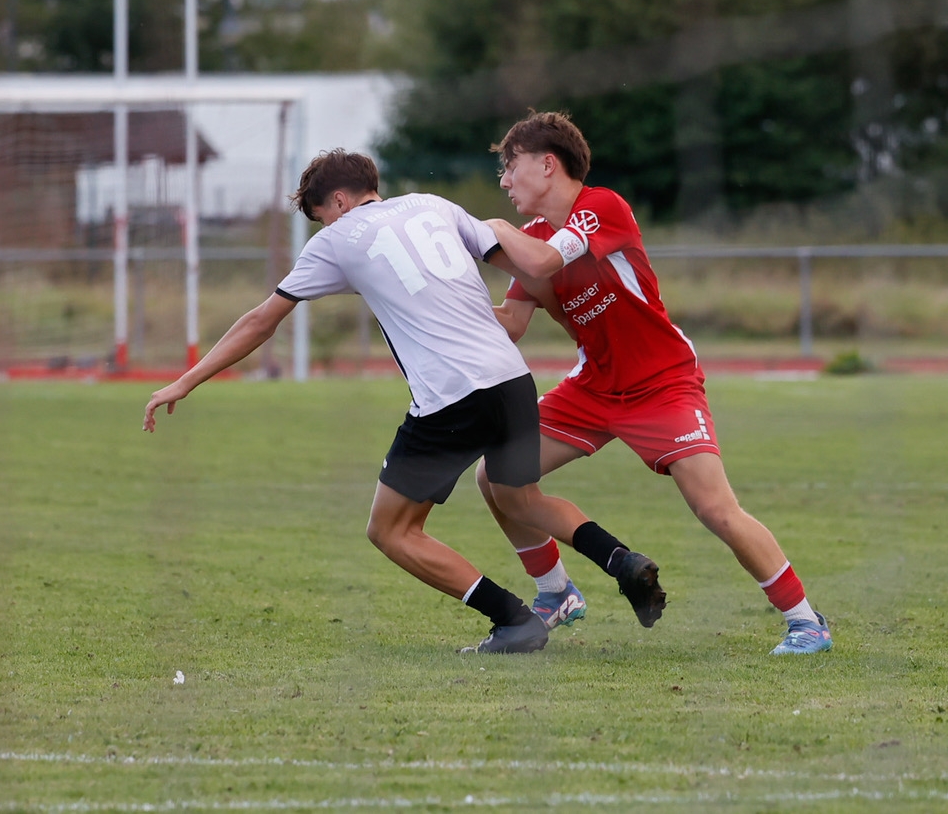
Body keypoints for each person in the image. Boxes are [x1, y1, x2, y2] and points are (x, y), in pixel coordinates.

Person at [143, 149, 660, 654]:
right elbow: (533, 272)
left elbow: (261, 321)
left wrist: (186, 381)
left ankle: (513, 619)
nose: (325, 227)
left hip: (451, 397)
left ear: (339, 201)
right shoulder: (435, 205)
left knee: (390, 530)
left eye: (322, 216)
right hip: (511, 379)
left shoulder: (337, 239)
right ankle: (620, 560)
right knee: (521, 498)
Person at [475, 110, 832, 655]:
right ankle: (556, 593)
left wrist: (490, 232)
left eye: (510, 165)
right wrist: (434, 303)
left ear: (547, 165)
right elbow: (513, 324)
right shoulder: (532, 238)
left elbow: (544, 262)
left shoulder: (600, 207)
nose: (504, 181)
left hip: (662, 383)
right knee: (497, 475)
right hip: (594, 387)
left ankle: (806, 622)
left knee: (715, 509)